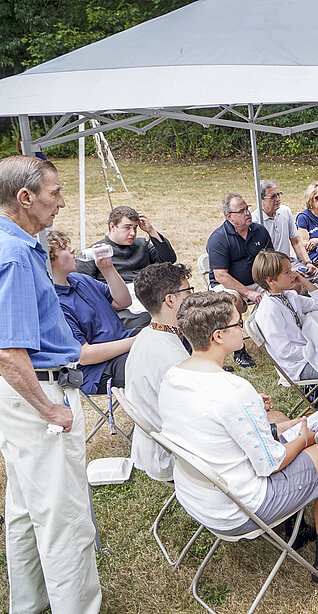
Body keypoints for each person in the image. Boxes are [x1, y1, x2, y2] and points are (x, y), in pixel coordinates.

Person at [159, 292, 318, 580]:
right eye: (238, 323)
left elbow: (219, 431)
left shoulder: (174, 376)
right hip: (240, 507)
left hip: (200, 496)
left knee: (279, 420)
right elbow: (271, 464)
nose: (243, 328)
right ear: (218, 336)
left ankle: (297, 528)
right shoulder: (232, 390)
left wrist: (281, 426)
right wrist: (304, 438)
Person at [0, 155, 102, 613]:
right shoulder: (18, 254)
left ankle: (31, 604)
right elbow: (7, 349)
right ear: (25, 198)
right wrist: (50, 409)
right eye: (55, 192)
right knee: (64, 518)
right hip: (38, 393)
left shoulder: (12, 243)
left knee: (25, 509)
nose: (61, 201)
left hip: (19, 396)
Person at [125, 262, 195, 481]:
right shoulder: (171, 357)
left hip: (154, 448)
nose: (192, 297)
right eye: (188, 291)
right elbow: (197, 417)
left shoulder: (146, 335)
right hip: (173, 455)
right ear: (171, 300)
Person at [49, 229, 137, 395]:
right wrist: (137, 341)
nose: (72, 250)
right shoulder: (54, 302)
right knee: (151, 361)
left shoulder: (80, 279)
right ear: (50, 261)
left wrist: (108, 269)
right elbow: (85, 355)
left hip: (123, 343)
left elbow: (123, 302)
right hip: (97, 370)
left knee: (172, 337)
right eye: (63, 248)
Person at [76, 205, 176, 328]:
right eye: (127, 228)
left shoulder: (142, 245)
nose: (132, 233)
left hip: (149, 298)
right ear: (113, 226)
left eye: (135, 228)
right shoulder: (97, 252)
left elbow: (168, 260)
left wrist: (151, 231)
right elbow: (83, 286)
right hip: (119, 308)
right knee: (147, 320)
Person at [205, 192, 273, 368]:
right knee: (232, 300)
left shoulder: (260, 231)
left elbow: (270, 261)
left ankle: (275, 335)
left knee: (288, 288)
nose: (247, 213)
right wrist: (248, 293)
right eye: (241, 211)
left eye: (247, 208)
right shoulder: (218, 238)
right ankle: (239, 350)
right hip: (226, 285)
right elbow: (221, 275)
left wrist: (270, 283)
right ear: (229, 217)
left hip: (257, 281)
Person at [251, 250, 318, 382]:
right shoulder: (269, 311)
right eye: (287, 272)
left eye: (291, 269)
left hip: (310, 355)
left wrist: (304, 282)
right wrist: (316, 350)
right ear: (270, 280)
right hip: (297, 367)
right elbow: (285, 351)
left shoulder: (289, 296)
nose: (293, 274)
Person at [258, 180, 318, 289]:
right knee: (295, 285)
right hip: (271, 268)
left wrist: (308, 262)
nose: (278, 199)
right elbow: (261, 259)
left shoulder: (285, 211)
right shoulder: (256, 220)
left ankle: (307, 304)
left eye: (279, 194)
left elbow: (296, 241)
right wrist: (288, 272)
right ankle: (294, 304)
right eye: (273, 197)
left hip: (288, 261)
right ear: (261, 200)